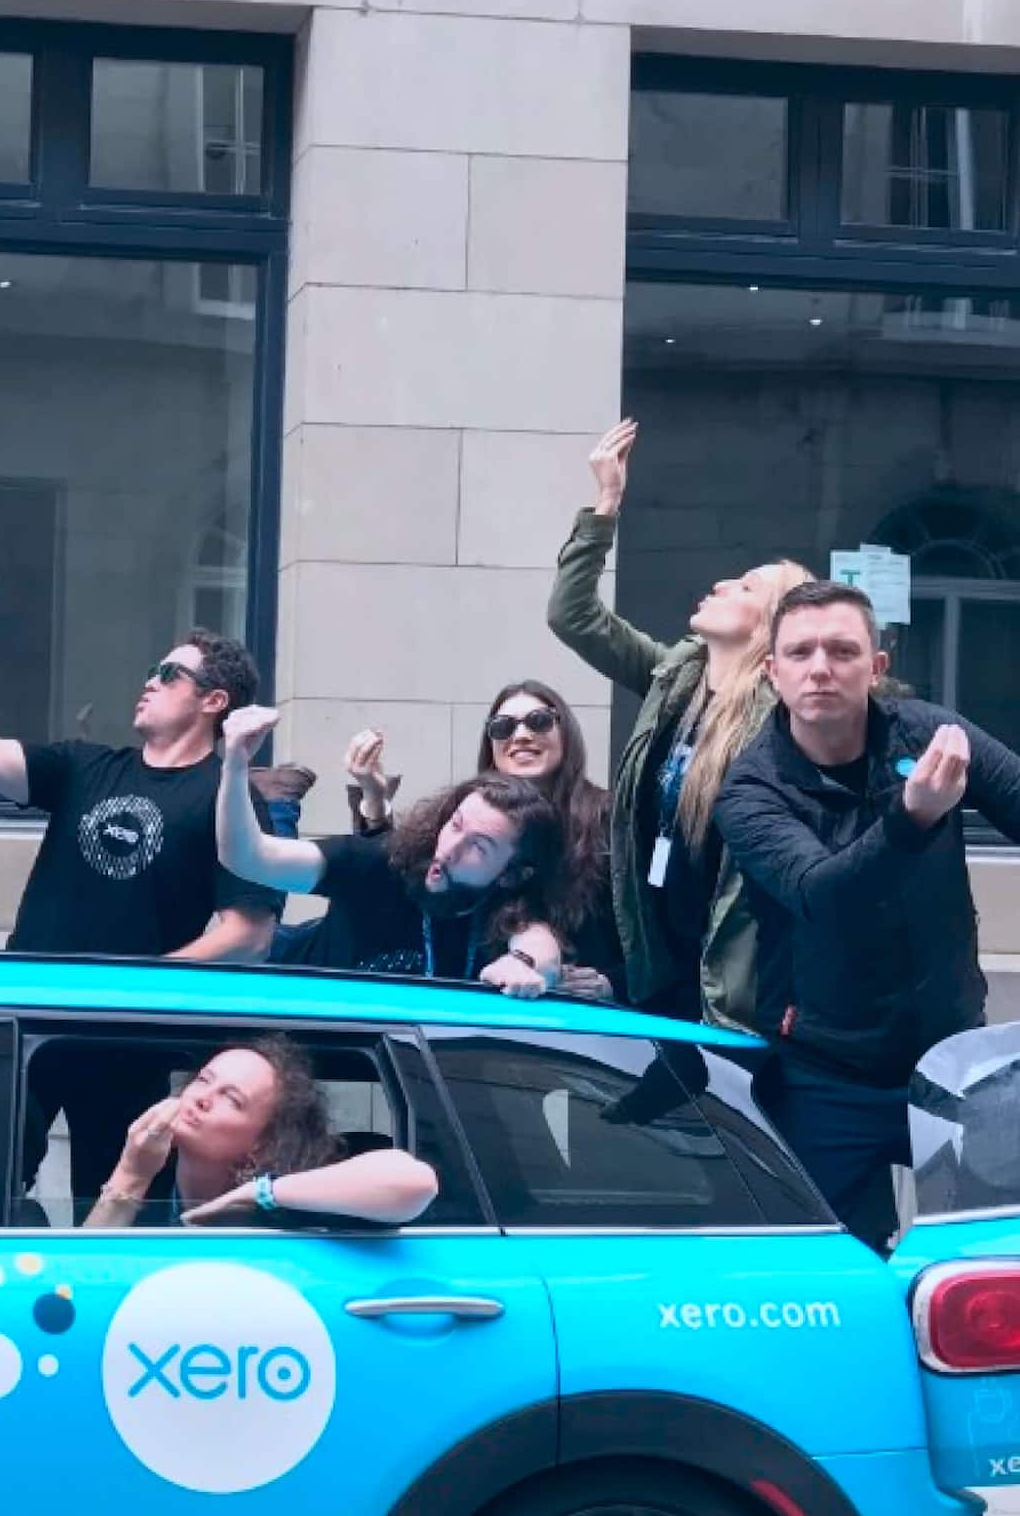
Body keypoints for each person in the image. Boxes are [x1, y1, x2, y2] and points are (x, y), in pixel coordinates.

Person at [0, 571, 282, 1207]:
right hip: (28, 1019)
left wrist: (140, 982)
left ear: (214, 702)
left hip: (127, 1033)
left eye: (169, 672)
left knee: (119, 1200)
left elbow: (249, 932)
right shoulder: (85, 766)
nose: (149, 680)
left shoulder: (226, 798)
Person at [715, 577, 1020, 1250]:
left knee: (986, 1255)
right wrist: (911, 816)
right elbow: (824, 898)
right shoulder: (750, 789)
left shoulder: (930, 733)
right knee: (838, 1274)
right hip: (824, 1072)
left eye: (841, 650)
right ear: (772, 672)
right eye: (799, 652)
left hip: (950, 1057)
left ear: (876, 667)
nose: (820, 667)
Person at [548, 419, 806, 1025]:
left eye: (744, 586)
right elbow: (573, 615)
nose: (718, 584)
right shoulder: (673, 679)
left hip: (732, 984)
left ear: (770, 623)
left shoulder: (786, 716)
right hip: (658, 964)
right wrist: (605, 506)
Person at [215, 707, 568, 992]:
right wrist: (234, 763)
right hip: (291, 1011)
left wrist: (523, 966)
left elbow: (540, 945)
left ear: (510, 875)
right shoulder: (380, 861)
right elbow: (248, 858)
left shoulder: (507, 907)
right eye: (456, 825)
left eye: (478, 845)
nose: (449, 849)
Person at [345, 680, 624, 993]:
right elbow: (399, 880)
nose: (520, 736)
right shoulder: (469, 807)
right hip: (484, 1005)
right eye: (503, 727)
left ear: (566, 732)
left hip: (580, 1023)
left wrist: (611, 985)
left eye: (539, 721)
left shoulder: (609, 821)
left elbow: (654, 936)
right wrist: (373, 801)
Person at [84, 1035, 441, 1229]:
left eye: (232, 1099)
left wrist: (260, 1195)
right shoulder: (148, 1179)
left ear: (262, 1144)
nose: (203, 1097)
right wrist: (132, 1172)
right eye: (204, 1080)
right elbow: (84, 1286)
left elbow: (416, 1181)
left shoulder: (295, 1207)